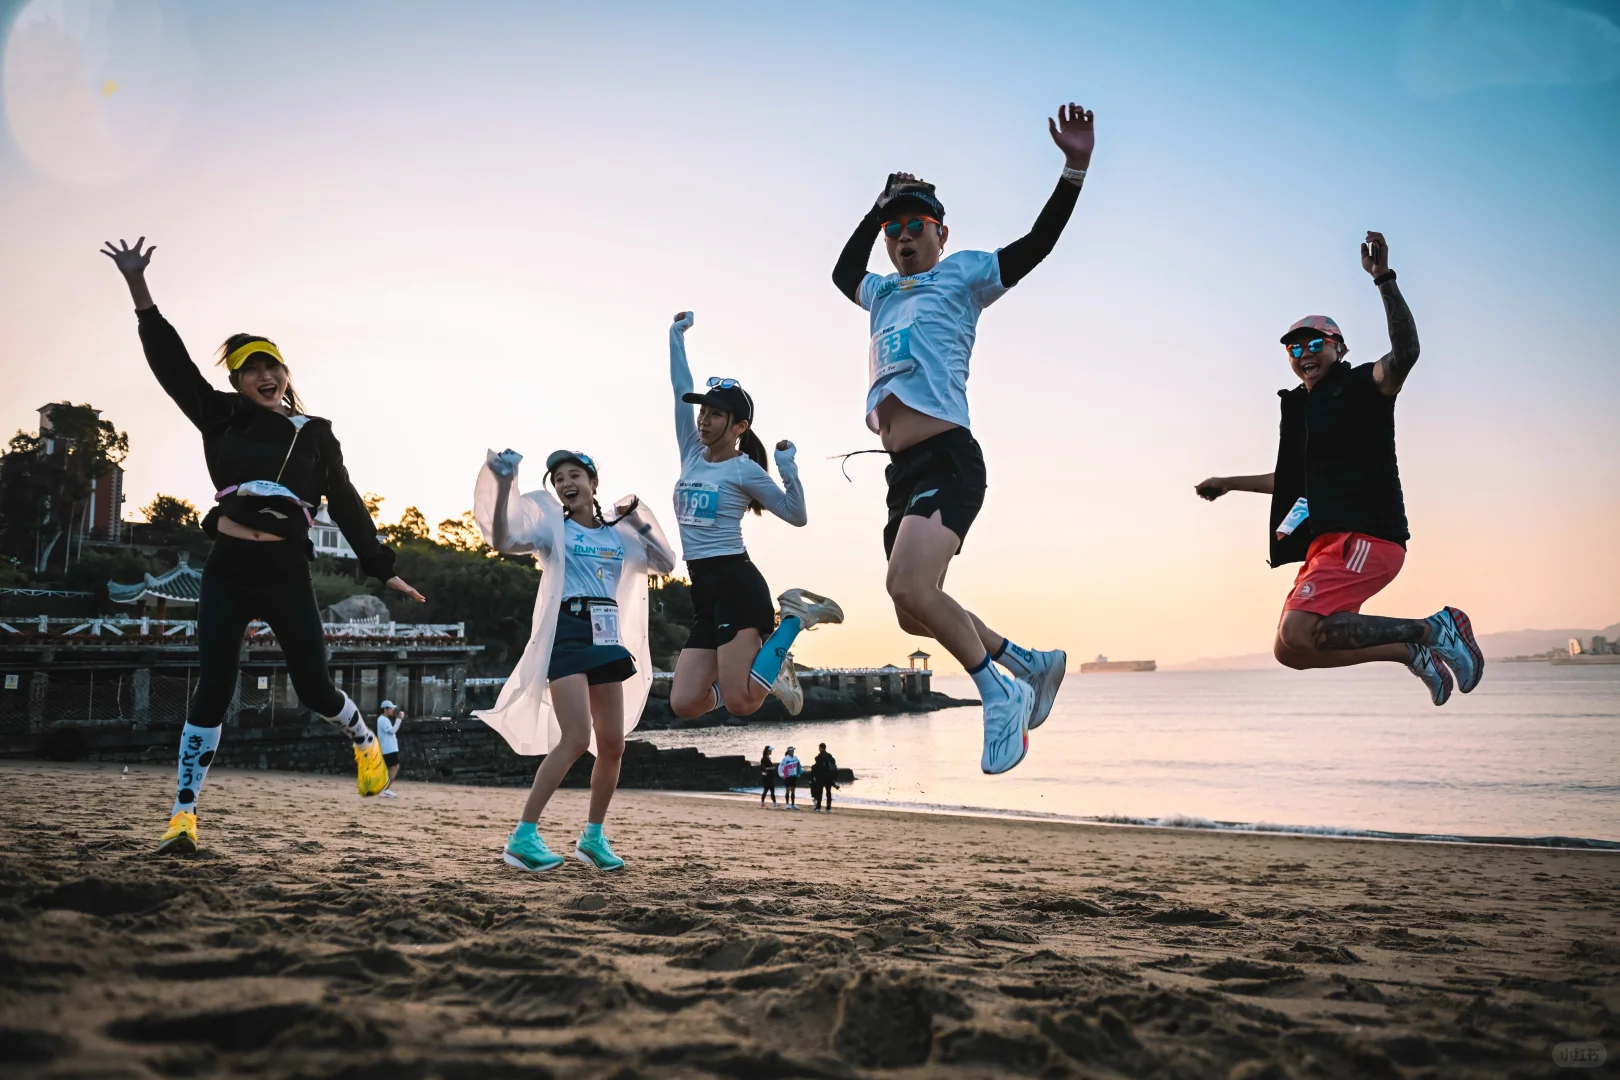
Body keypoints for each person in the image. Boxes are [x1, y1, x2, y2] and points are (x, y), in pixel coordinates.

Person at [102, 238, 425, 856]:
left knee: (314, 689)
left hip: (284, 570)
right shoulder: (219, 416)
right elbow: (170, 364)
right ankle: (183, 814)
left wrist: (380, 567)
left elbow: (346, 501)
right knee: (213, 688)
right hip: (227, 568)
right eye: (252, 368)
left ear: (285, 375)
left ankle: (361, 738)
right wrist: (139, 289)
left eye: (272, 365)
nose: (266, 375)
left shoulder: (314, 434)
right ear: (237, 380)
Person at [829, 104, 1094, 775]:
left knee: (909, 585)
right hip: (901, 471)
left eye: (916, 225)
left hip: (948, 459)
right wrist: (876, 206)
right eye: (893, 229)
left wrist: (1074, 168)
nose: (902, 236)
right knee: (912, 611)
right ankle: (1028, 663)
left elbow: (1037, 243)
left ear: (941, 233)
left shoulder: (964, 275)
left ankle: (998, 694)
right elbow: (840, 272)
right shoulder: (882, 293)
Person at [1194, 232, 1483, 704]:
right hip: (1326, 544)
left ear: (1339, 349)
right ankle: (1412, 652)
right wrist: (1229, 483)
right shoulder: (1304, 412)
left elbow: (1406, 353)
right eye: (1294, 349)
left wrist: (1384, 279)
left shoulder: (1360, 386)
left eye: (1315, 343)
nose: (1304, 354)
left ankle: (1437, 628)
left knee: (1299, 627)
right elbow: (1293, 483)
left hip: (1366, 535)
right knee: (1291, 649)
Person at [474, 448, 676, 872]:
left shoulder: (618, 535)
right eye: (559, 479)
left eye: (575, 475)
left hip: (607, 636)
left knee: (613, 744)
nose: (566, 483)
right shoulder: (555, 531)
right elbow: (502, 540)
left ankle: (593, 837)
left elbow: (665, 562)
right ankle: (523, 836)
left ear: (593, 483)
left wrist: (635, 518)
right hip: (567, 633)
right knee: (576, 738)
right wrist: (505, 482)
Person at [666, 312, 843, 721]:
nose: (704, 420)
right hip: (702, 589)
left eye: (715, 414)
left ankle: (792, 621)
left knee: (743, 701)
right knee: (685, 703)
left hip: (737, 586)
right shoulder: (691, 451)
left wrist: (787, 467)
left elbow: (796, 515)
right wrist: (676, 336)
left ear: (739, 426)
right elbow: (679, 389)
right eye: (704, 412)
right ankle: (767, 664)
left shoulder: (745, 470)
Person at [376, 701, 403, 797]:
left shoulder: (384, 719)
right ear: (385, 709)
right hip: (388, 749)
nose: (392, 710)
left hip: (389, 748)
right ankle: (384, 790)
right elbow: (392, 731)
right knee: (394, 767)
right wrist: (399, 719)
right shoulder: (382, 720)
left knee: (391, 768)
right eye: (391, 708)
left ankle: (384, 789)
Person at [811, 742, 838, 812]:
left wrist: (814, 776)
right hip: (829, 777)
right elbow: (833, 766)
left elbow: (817, 766)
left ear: (821, 748)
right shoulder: (829, 756)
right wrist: (834, 778)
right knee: (828, 792)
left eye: (819, 748)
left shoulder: (819, 756)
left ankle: (818, 807)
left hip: (821, 777)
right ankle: (828, 807)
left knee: (819, 792)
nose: (819, 749)